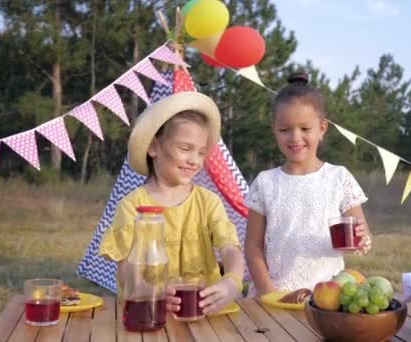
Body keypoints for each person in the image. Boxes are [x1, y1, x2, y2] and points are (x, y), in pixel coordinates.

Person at [99, 91, 244, 315]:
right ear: (154, 147)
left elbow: (230, 249)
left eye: (201, 152)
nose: (194, 160)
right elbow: (126, 271)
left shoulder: (208, 202)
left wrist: (232, 283)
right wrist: (150, 290)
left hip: (204, 313)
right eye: (185, 148)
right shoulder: (132, 206)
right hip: (149, 313)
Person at [244, 72, 372, 298]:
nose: (295, 138)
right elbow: (252, 247)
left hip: (328, 298)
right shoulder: (265, 182)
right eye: (285, 130)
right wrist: (267, 291)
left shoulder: (339, 178)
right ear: (274, 129)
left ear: (322, 128)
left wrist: (361, 239)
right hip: (276, 296)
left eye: (305, 129)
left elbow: (359, 238)